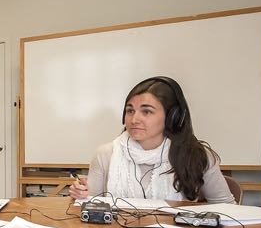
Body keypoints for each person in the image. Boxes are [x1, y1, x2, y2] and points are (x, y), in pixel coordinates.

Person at [69, 76, 235, 203]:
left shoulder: (197, 155)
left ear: (172, 117)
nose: (134, 120)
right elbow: (90, 207)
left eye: (146, 112)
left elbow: (227, 209)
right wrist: (81, 195)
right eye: (130, 111)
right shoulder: (106, 154)